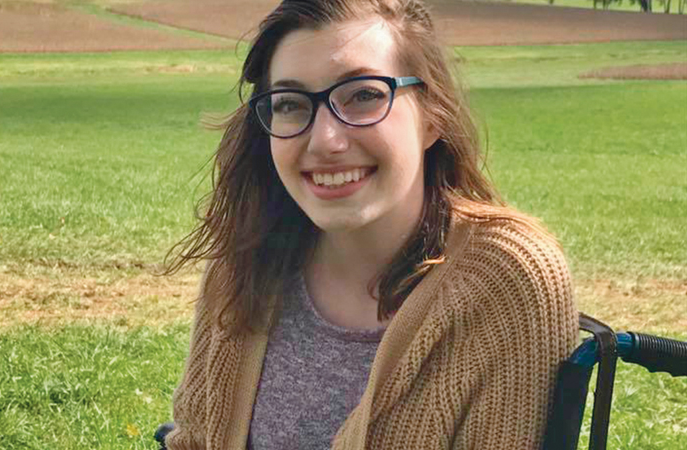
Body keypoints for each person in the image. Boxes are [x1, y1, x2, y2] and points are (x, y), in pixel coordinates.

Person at [164, 0, 578, 449]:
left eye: (363, 95)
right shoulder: (245, 258)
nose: (324, 141)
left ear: (433, 115)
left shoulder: (506, 278)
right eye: (289, 104)